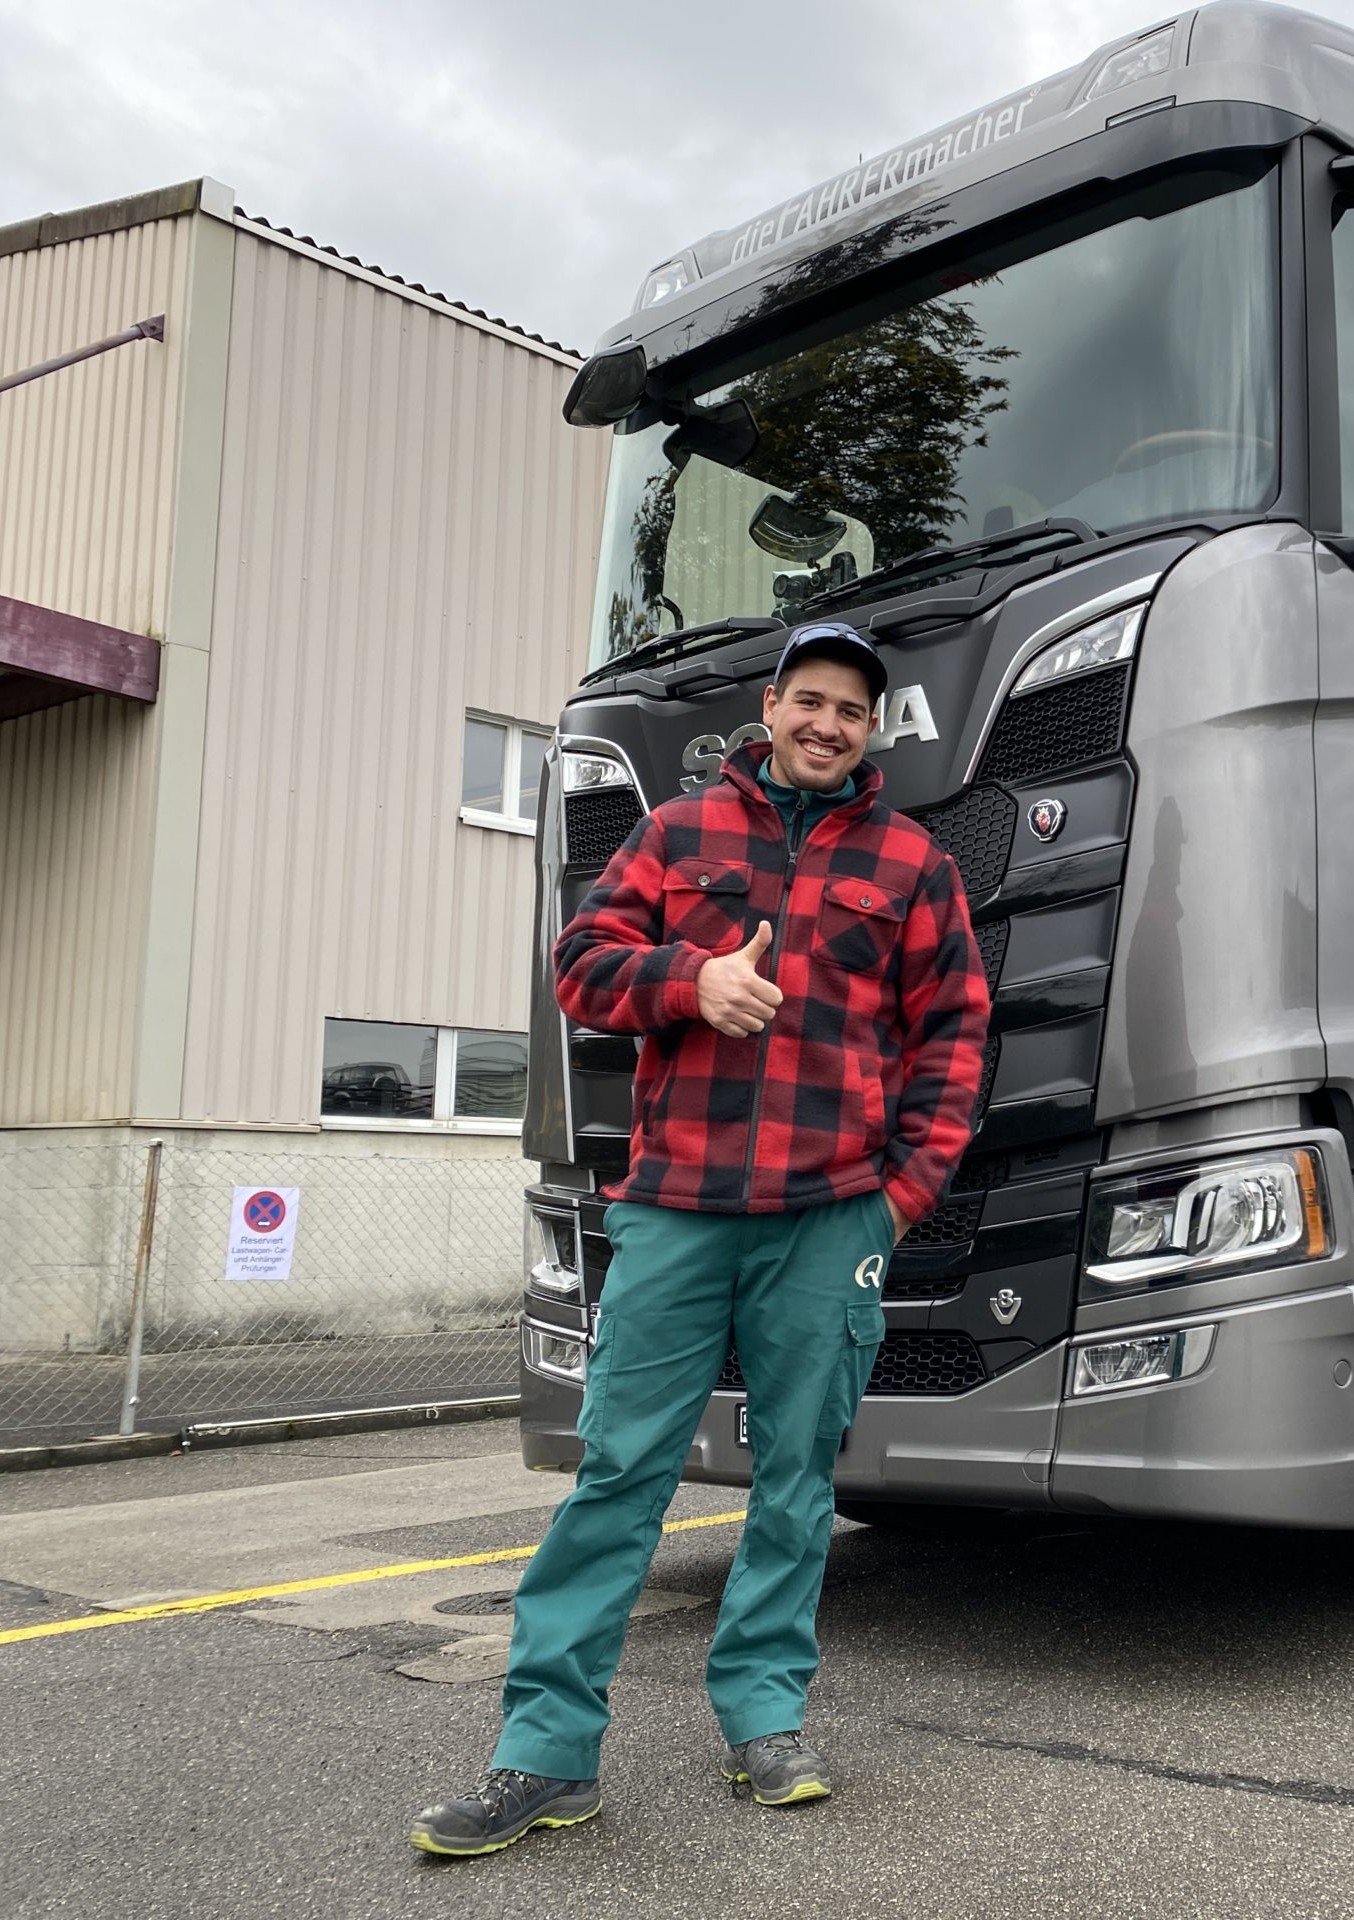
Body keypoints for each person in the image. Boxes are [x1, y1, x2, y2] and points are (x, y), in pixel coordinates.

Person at [411, 622, 988, 1856]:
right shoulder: (675, 835)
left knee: (797, 1481)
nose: (829, 724)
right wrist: (692, 981)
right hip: (677, 1209)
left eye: (853, 711)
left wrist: (900, 1198)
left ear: (871, 731)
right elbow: (582, 964)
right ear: (770, 710)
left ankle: (765, 1718)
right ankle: (545, 1754)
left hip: (830, 1217)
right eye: (811, 701)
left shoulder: (912, 863)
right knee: (620, 1472)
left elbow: (953, 1037)